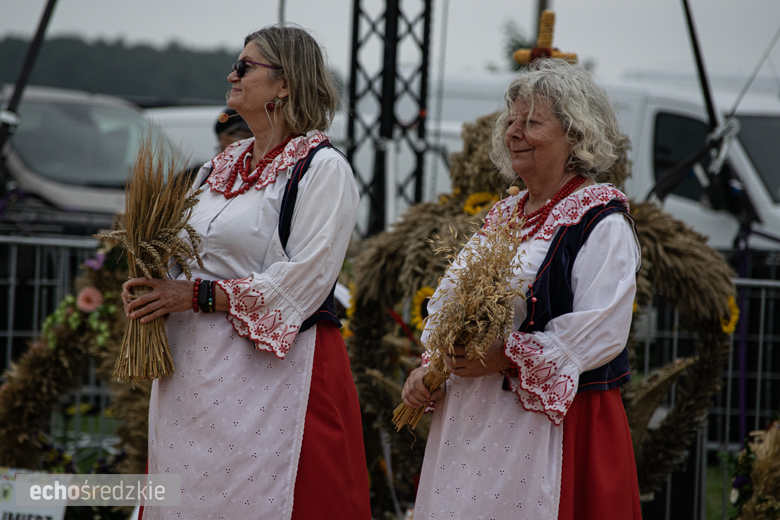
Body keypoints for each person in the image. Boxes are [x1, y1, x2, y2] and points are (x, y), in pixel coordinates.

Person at [122, 24, 371, 520]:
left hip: (271, 376)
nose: (231, 74)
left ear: (285, 84)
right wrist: (153, 282)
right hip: (193, 376)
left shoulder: (321, 169)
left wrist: (193, 296)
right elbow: (184, 258)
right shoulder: (218, 168)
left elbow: (304, 279)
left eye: (245, 66)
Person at [401, 58, 643, 520]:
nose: (513, 132)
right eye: (511, 121)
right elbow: (449, 303)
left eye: (532, 122)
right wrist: (431, 366)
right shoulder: (505, 216)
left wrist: (505, 355)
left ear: (576, 135)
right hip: (471, 420)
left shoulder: (599, 221)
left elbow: (602, 328)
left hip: (542, 430)